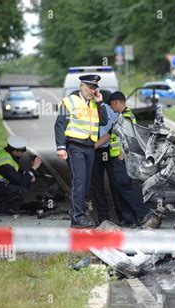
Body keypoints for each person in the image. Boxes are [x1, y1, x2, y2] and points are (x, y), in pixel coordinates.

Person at [54, 74, 108, 228]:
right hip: (75, 146)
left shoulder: (93, 103)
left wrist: (100, 103)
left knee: (85, 183)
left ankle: (80, 216)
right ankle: (77, 218)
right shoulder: (69, 101)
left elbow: (103, 121)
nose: (93, 91)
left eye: (95, 88)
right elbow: (59, 125)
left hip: (90, 146)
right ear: (81, 86)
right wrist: (61, 147)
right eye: (90, 87)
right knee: (79, 182)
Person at [106, 91, 162, 228]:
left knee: (124, 186)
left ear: (117, 102)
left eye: (111, 105)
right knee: (121, 187)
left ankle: (145, 213)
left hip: (122, 158)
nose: (111, 108)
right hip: (119, 157)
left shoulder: (125, 117)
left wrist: (122, 152)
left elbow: (128, 137)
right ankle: (130, 219)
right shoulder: (124, 116)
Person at [0, 135, 42, 213]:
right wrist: (34, 168)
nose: (23, 154)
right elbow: (21, 182)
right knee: (21, 190)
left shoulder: (7, 154)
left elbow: (16, 171)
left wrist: (29, 174)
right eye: (22, 151)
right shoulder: (4, 164)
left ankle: (12, 206)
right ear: (15, 151)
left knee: (27, 181)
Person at [91, 93, 122, 225]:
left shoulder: (113, 111)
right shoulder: (89, 110)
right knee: (97, 186)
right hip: (95, 151)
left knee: (116, 184)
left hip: (110, 151)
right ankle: (103, 218)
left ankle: (121, 216)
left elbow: (116, 132)